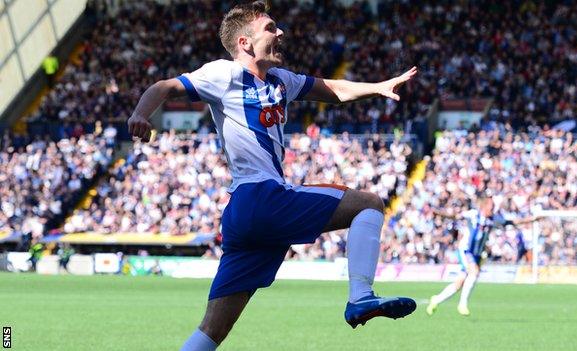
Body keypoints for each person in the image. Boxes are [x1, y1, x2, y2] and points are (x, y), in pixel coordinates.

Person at [127, 2, 417, 349]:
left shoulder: (281, 80)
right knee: (368, 203)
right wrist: (141, 114)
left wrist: (378, 86)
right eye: (270, 28)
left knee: (212, 330)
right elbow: (164, 86)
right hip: (262, 196)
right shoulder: (223, 74)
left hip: (244, 217)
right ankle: (360, 296)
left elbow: (333, 90)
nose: (280, 33)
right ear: (245, 43)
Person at [426, 195, 536, 316]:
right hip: (466, 250)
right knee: (474, 272)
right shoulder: (473, 214)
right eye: (491, 205)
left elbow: (513, 222)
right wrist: (438, 213)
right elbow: (454, 216)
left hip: (477, 254)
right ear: (483, 206)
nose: (493, 207)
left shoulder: (494, 219)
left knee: (460, 283)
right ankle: (462, 304)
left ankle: (436, 299)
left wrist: (533, 219)